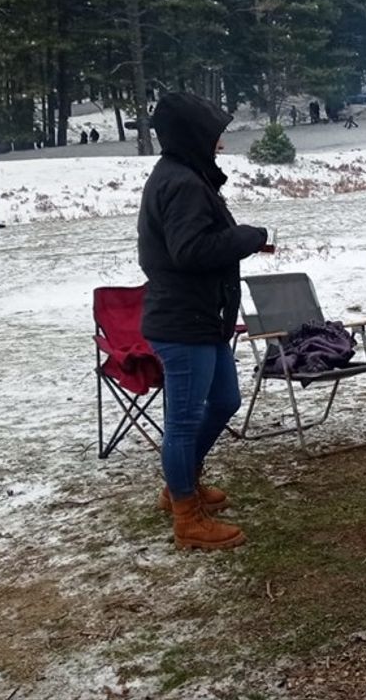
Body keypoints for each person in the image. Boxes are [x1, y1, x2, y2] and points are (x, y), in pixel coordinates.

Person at [137, 92, 268, 551]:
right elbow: (190, 251)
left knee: (225, 401)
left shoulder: (185, 177)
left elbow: (195, 241)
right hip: (183, 320)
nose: (220, 144)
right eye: (214, 135)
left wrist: (238, 240)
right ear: (193, 136)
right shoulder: (183, 184)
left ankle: (180, 487)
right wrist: (248, 237)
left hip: (201, 318)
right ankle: (186, 516)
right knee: (184, 421)